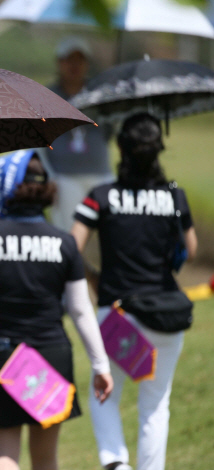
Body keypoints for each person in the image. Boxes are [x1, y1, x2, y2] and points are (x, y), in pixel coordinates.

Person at [0, 150, 113, 470]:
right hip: (53, 352)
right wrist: (100, 364)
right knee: (46, 459)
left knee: (4, 455)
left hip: (1, 357)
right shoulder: (64, 243)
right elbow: (79, 309)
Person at [71, 113, 197, 470]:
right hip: (165, 316)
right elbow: (191, 247)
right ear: (158, 150)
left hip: (118, 316)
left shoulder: (101, 196)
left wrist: (95, 279)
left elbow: (71, 248)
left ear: (122, 149)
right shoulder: (175, 197)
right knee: (156, 405)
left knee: (105, 394)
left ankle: (115, 463)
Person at [39, 36, 114, 231]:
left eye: (79, 60)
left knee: (106, 231)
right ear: (60, 63)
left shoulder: (100, 94)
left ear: (86, 64)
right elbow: (39, 139)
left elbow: (110, 130)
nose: (74, 65)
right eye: (69, 60)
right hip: (64, 177)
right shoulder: (47, 96)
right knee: (67, 231)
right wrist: (49, 175)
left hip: (100, 174)